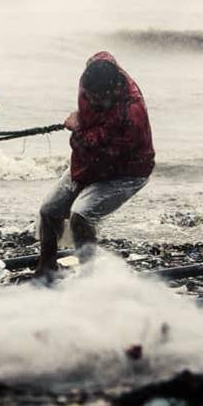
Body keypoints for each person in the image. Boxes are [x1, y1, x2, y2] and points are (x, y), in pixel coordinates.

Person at [37, 51, 154, 275]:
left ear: (114, 91)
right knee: (48, 210)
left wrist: (78, 128)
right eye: (88, 96)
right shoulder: (96, 67)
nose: (91, 102)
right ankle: (46, 269)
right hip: (89, 162)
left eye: (97, 99)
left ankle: (88, 278)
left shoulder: (131, 113)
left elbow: (105, 153)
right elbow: (103, 55)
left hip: (125, 171)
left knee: (81, 216)